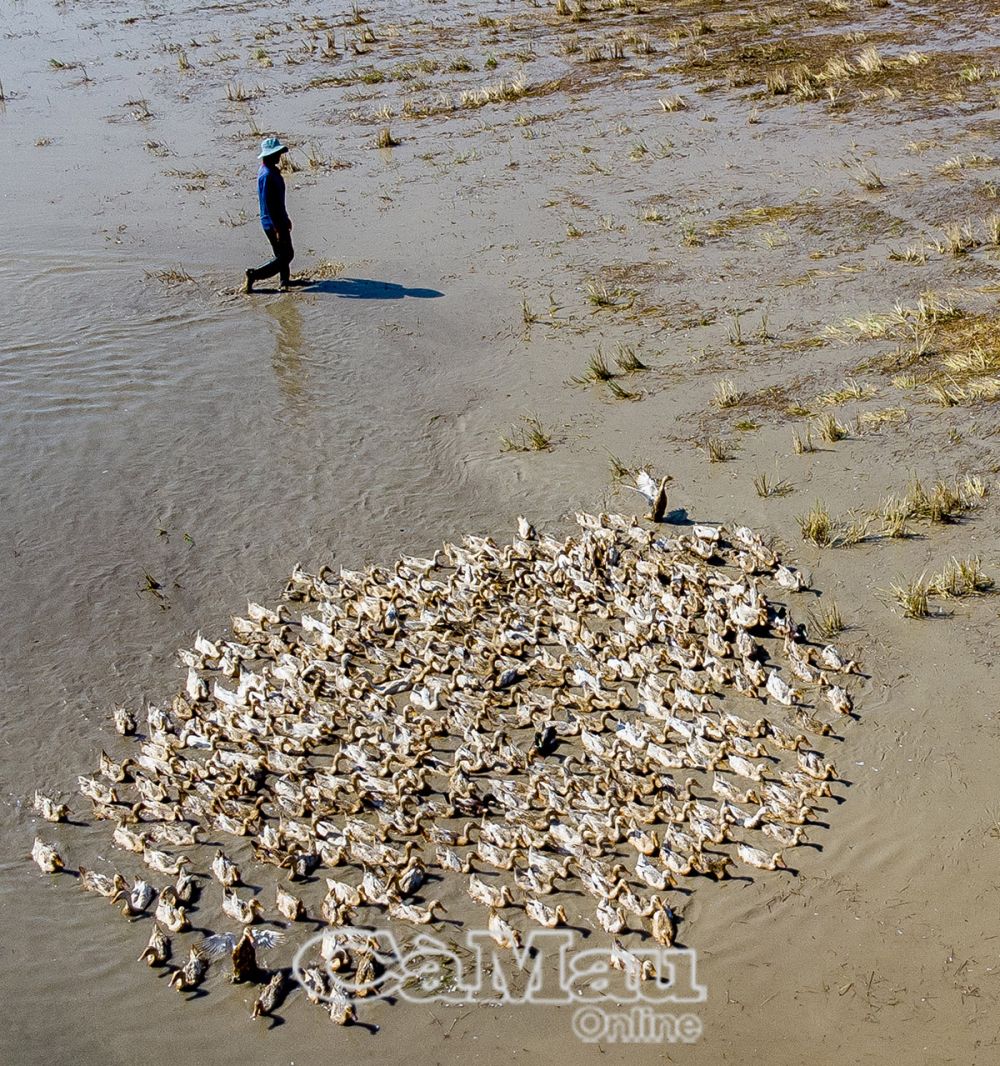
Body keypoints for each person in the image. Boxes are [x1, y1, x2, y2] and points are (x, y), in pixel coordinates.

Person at [245, 136, 294, 293]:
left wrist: (285, 218)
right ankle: (254, 274)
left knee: (282, 254)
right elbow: (270, 204)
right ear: (269, 155)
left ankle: (284, 281)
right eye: (277, 154)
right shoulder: (267, 175)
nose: (279, 157)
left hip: (278, 219)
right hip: (273, 222)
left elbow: (278, 202)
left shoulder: (270, 171)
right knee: (286, 255)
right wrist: (278, 227)